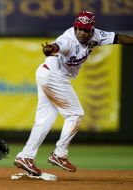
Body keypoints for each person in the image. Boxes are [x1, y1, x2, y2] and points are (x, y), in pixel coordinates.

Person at [14, 11, 133, 176]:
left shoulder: (97, 35)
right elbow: (56, 46)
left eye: (86, 30)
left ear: (92, 29)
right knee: (76, 114)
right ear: (74, 26)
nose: (82, 33)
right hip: (53, 76)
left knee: (45, 119)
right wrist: (50, 49)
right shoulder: (68, 39)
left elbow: (119, 38)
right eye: (79, 28)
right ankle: (59, 154)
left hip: (46, 74)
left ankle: (25, 156)